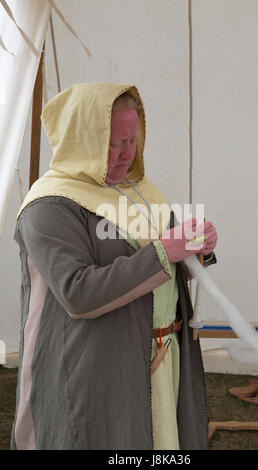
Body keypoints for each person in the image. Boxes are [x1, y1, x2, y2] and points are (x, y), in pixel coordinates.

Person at [11, 82, 217, 450]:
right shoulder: (50, 207)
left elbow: (164, 264)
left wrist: (195, 249)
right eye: (114, 143)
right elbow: (78, 293)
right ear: (83, 141)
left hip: (161, 357)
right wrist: (163, 250)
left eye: (132, 140)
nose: (127, 154)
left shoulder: (140, 190)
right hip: (95, 368)